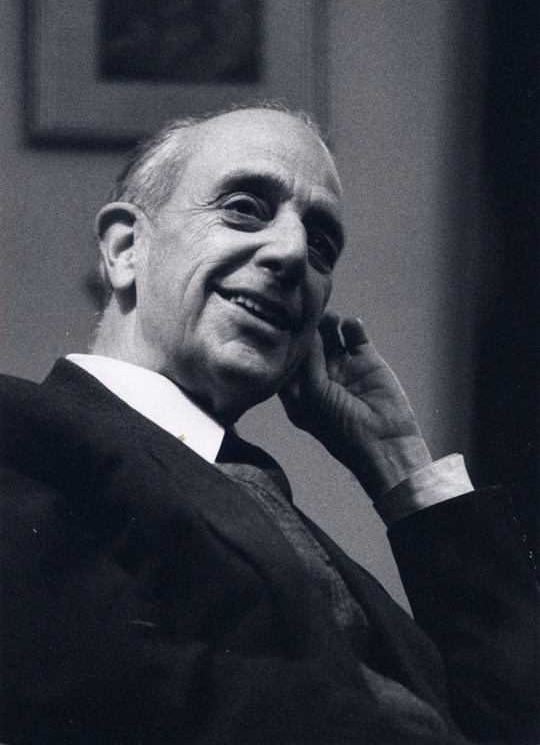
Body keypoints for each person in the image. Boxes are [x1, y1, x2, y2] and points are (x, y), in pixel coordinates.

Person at [0, 106, 537, 745]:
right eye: (245, 208)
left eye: (321, 244)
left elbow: (515, 720)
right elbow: (100, 693)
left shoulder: (265, 501)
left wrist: (402, 467)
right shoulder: (22, 435)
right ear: (125, 250)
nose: (292, 253)